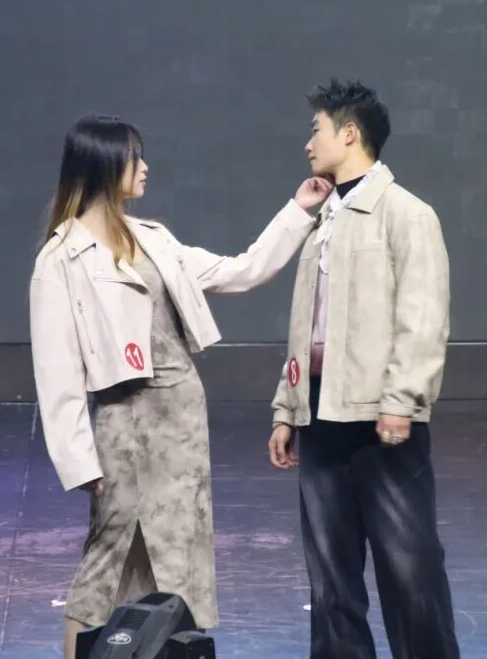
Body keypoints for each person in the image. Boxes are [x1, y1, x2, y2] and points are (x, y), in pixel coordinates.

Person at [30, 114, 329, 658]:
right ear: (104, 164)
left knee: (172, 565)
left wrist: (297, 210)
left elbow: (241, 271)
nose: (145, 168)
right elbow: (57, 372)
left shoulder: (153, 239)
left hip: (181, 422)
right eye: (135, 157)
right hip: (125, 424)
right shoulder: (62, 256)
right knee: (107, 562)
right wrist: (79, 461)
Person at [268, 80, 460, 658]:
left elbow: (423, 318)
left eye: (317, 130)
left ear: (349, 134)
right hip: (319, 411)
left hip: (381, 418)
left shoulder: (406, 214)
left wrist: (402, 400)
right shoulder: (322, 219)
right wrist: (286, 408)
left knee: (409, 569)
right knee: (330, 579)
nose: (309, 143)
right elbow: (306, 323)